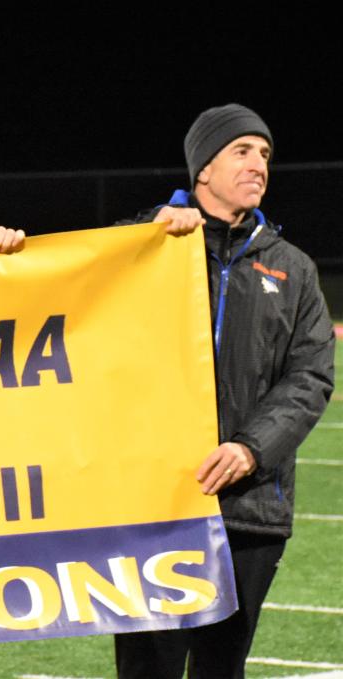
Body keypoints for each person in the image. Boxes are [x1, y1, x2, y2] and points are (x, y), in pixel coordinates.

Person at [111, 104, 335, 678]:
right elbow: (68, 288)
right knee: (147, 670)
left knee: (221, 670)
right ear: (202, 169)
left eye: (264, 154)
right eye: (242, 150)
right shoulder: (147, 244)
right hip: (155, 506)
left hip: (251, 507)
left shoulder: (295, 270)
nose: (259, 163)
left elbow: (310, 377)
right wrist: (5, 252)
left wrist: (250, 448)